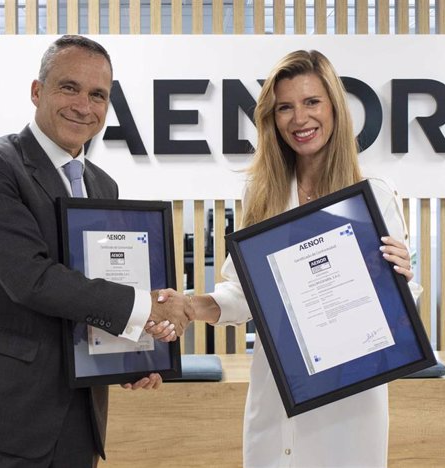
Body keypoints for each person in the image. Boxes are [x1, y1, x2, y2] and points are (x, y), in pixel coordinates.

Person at [152, 50, 422, 467]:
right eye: (285, 107)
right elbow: (243, 292)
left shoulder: (375, 196)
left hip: (350, 401)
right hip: (277, 393)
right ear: (271, 118)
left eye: (312, 102)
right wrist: (193, 305)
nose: (300, 119)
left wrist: (399, 285)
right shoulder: (262, 193)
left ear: (334, 106)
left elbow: (399, 312)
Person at [0, 35, 189, 467]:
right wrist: (143, 309)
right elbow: (31, 280)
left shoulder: (102, 185)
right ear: (38, 91)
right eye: (69, 87)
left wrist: (135, 350)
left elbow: (96, 288)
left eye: (98, 95)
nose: (83, 106)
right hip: (1, 416)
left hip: (78, 417)